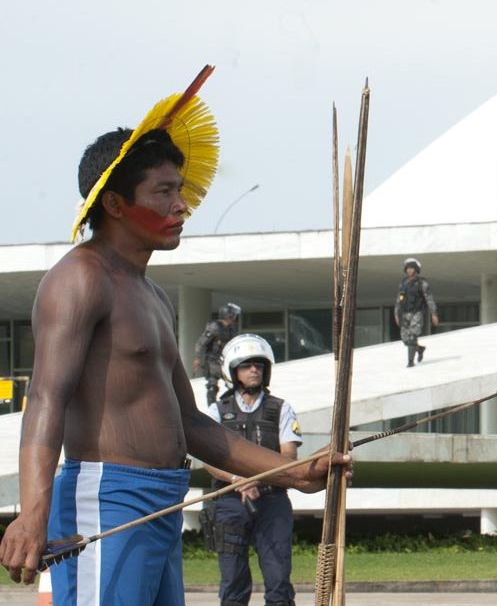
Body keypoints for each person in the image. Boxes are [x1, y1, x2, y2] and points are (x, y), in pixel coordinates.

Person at [0, 85, 349, 604]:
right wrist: (32, 513)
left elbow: (189, 425)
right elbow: (46, 399)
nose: (182, 205)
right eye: (163, 192)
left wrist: (294, 471)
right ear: (114, 203)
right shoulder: (80, 278)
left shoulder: (152, 295)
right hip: (107, 498)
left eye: (180, 189)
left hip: (162, 502)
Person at [204, 334, 302, 606]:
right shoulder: (218, 410)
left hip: (272, 502)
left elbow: (289, 456)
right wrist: (238, 480)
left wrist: (260, 479)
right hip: (230, 504)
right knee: (233, 584)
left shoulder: (281, 409)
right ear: (234, 371)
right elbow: (209, 460)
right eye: (247, 365)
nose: (254, 370)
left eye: (258, 365)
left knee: (279, 581)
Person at [394, 258, 439, 368]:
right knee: (405, 340)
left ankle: (410, 362)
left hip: (417, 313)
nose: (409, 270)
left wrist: (434, 314)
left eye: (411, 268)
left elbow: (429, 299)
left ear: (416, 269)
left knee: (412, 337)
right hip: (405, 314)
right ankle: (419, 349)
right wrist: (396, 313)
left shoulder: (422, 283)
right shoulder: (403, 283)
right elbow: (399, 299)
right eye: (407, 268)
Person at [194, 302, 241, 405]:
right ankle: (212, 408)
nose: (234, 317)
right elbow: (201, 343)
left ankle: (230, 405)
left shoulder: (232, 328)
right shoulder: (214, 327)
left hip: (227, 360)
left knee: (234, 385)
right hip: (212, 361)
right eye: (233, 314)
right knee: (212, 386)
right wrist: (197, 358)